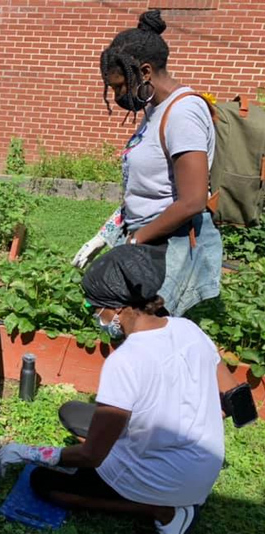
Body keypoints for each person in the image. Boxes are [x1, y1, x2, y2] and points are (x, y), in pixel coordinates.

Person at [0, 245, 225, 534]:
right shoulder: (189, 329)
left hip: (167, 479)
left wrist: (30, 453)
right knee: (73, 413)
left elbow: (91, 456)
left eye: (95, 306)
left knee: (45, 483)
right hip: (203, 467)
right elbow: (234, 399)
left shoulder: (126, 360)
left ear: (118, 308)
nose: (95, 314)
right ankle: (174, 488)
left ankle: (165, 511)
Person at [71, 10, 221, 318]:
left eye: (119, 87)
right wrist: (106, 234)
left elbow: (193, 201)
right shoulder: (155, 110)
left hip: (166, 247)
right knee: (111, 307)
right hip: (144, 239)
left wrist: (136, 240)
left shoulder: (183, 114)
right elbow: (146, 190)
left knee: (129, 320)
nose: (117, 97)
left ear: (146, 71)